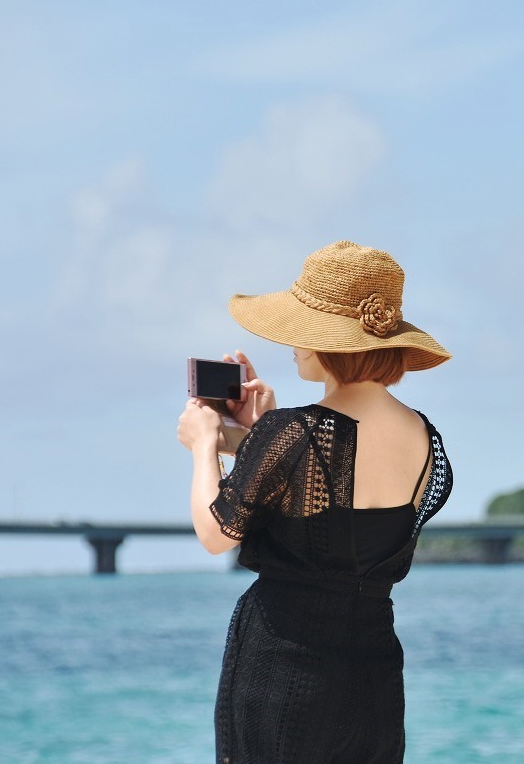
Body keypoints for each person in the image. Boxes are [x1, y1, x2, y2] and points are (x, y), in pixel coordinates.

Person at [176, 240, 453, 763]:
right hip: (372, 670)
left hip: (283, 668)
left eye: (302, 331)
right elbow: (336, 508)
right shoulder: (423, 435)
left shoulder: (294, 430)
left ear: (334, 343)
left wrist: (202, 445)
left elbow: (217, 534)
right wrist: (258, 438)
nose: (293, 345)